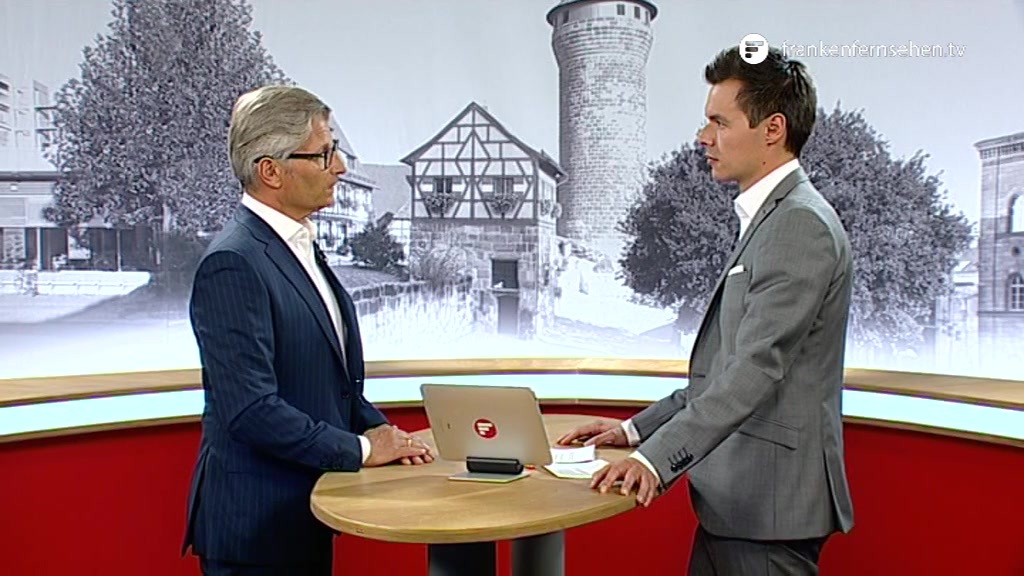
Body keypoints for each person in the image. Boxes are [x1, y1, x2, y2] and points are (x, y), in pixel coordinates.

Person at [558, 45, 855, 575]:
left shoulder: (798, 223)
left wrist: (653, 460)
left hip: (768, 510)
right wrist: (634, 432)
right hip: (740, 508)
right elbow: (720, 373)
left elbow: (754, 368)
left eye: (719, 122)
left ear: (773, 129)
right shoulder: (772, 218)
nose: (703, 137)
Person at [182, 85, 433, 576]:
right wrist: (363, 450)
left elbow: (329, 379)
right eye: (323, 154)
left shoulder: (298, 244)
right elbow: (251, 409)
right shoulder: (233, 262)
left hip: (303, 514)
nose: (338, 167)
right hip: (256, 531)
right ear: (271, 171)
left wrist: (379, 429)